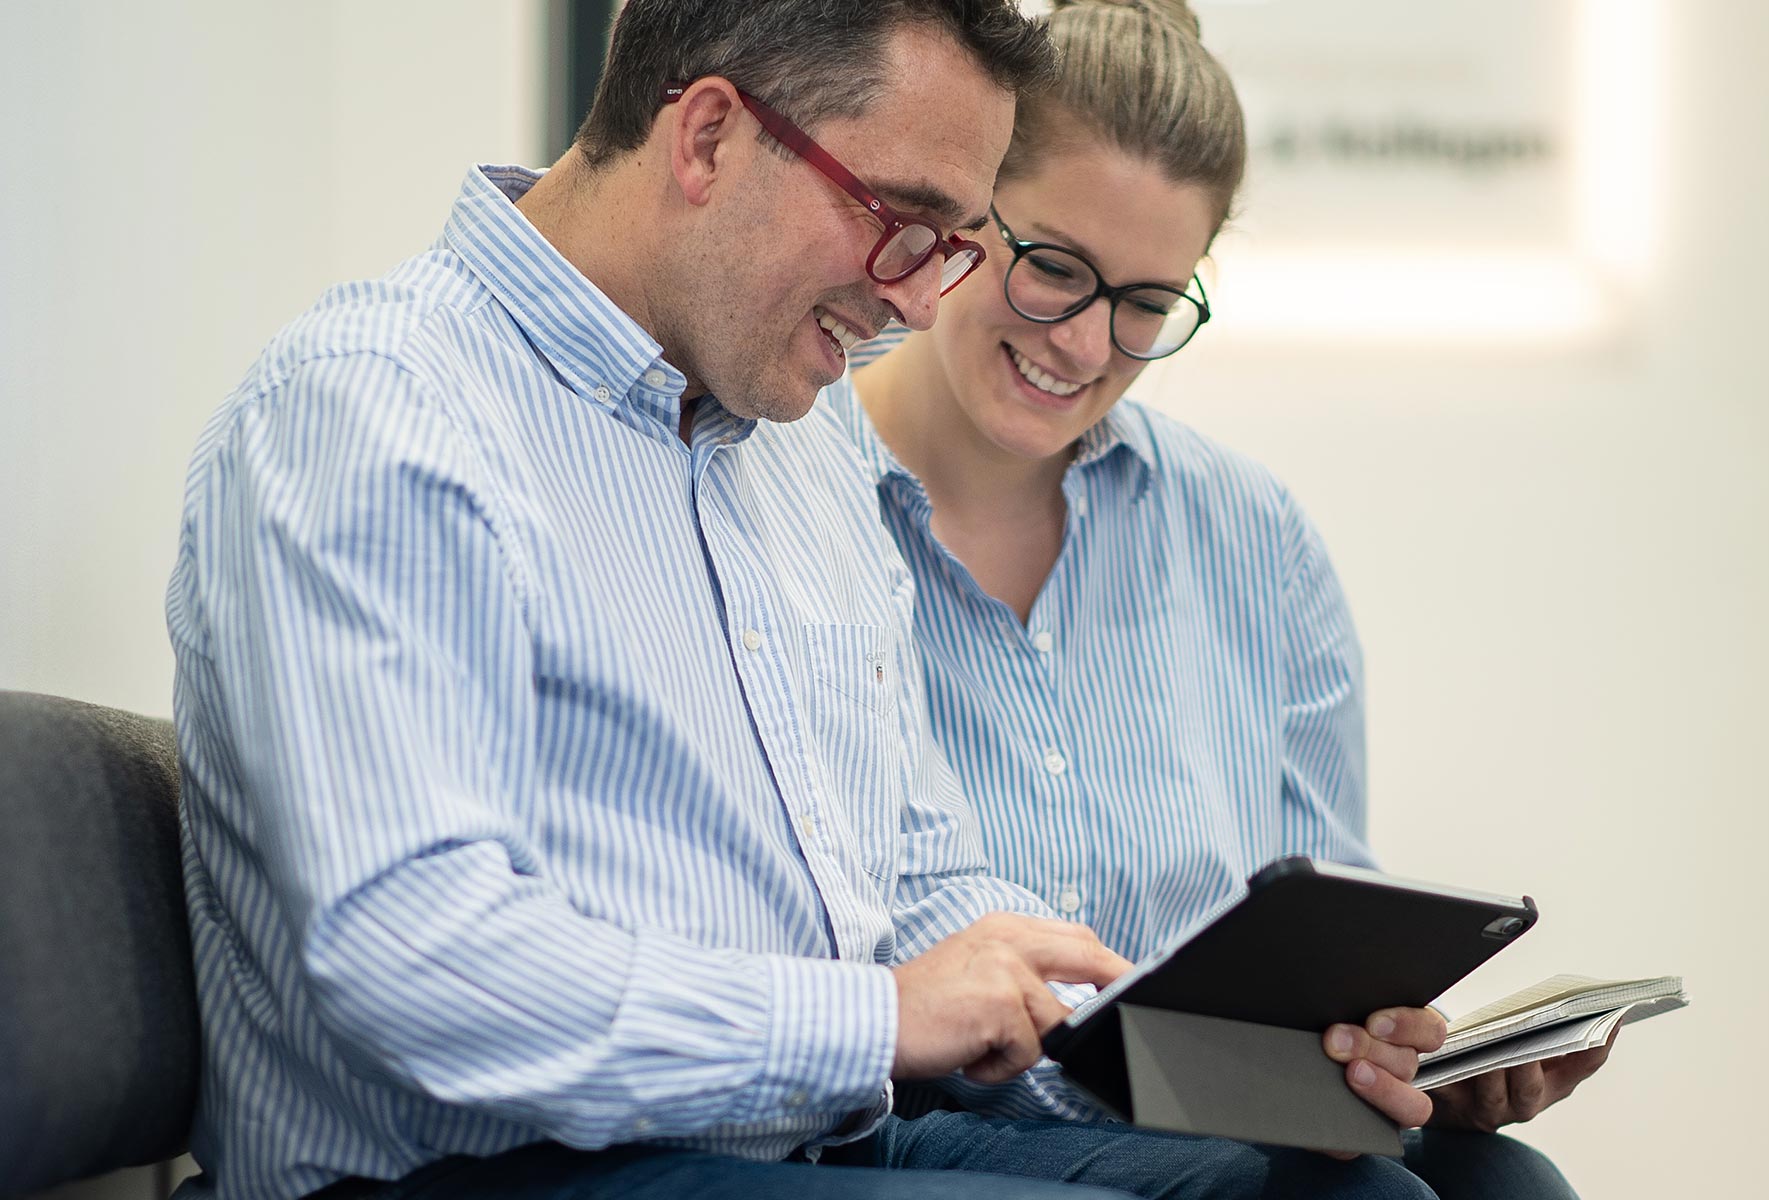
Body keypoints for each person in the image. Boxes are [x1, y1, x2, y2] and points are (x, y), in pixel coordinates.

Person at [164, 3, 1446, 1199]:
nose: (911, 296)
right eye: (901, 219)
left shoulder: (798, 438)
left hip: (790, 1144)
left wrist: (1171, 1057)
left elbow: (918, 877)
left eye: (951, 244)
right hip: (478, 1170)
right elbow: (418, 967)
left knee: (1321, 1188)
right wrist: (882, 1018)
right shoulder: (376, 412)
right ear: (711, 135)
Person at [839, 0, 1611, 1194]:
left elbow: (1331, 941)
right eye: (1054, 267)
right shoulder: (801, 497)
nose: (1087, 345)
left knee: (1512, 1185)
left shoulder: (1251, 538)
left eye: (1149, 303)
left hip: (1231, 1110)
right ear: (966, 207)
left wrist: (1395, 1047)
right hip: (937, 1115)